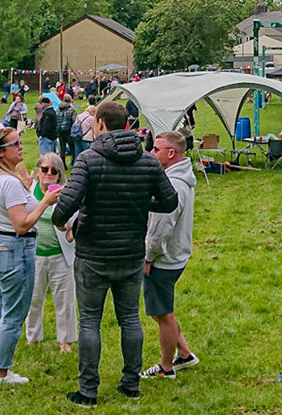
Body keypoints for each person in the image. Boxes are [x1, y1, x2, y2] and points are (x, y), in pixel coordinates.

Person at [49, 100, 178, 407]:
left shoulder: (88, 160)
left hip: (93, 253)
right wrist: (141, 204)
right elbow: (170, 201)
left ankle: (88, 391)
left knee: (90, 321)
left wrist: (74, 216)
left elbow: (62, 210)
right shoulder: (147, 162)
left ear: (101, 124)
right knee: (130, 319)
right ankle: (131, 384)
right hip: (131, 253)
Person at [0, 126, 58, 386]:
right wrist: (45, 202)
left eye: (20, 141)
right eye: (14, 144)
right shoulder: (10, 183)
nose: (21, 146)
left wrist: (32, 190)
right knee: (12, 314)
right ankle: (1, 373)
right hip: (15, 249)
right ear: (0, 152)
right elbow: (22, 224)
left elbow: (7, 210)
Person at [141, 131, 199, 379]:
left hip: (163, 260)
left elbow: (159, 230)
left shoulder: (171, 185)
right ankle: (185, 354)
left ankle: (166, 368)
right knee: (162, 311)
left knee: (162, 314)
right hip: (176, 255)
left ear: (171, 153)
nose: (151, 153)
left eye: (156, 149)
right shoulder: (182, 177)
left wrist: (148, 258)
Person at [25, 153, 77, 354]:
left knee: (64, 300)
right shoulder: (28, 191)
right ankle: (32, 337)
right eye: (44, 169)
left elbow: (77, 218)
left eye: (54, 171)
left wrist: (70, 228)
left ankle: (65, 341)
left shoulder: (66, 194)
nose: (49, 173)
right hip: (34, 253)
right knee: (33, 298)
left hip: (60, 255)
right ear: (37, 171)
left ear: (59, 175)